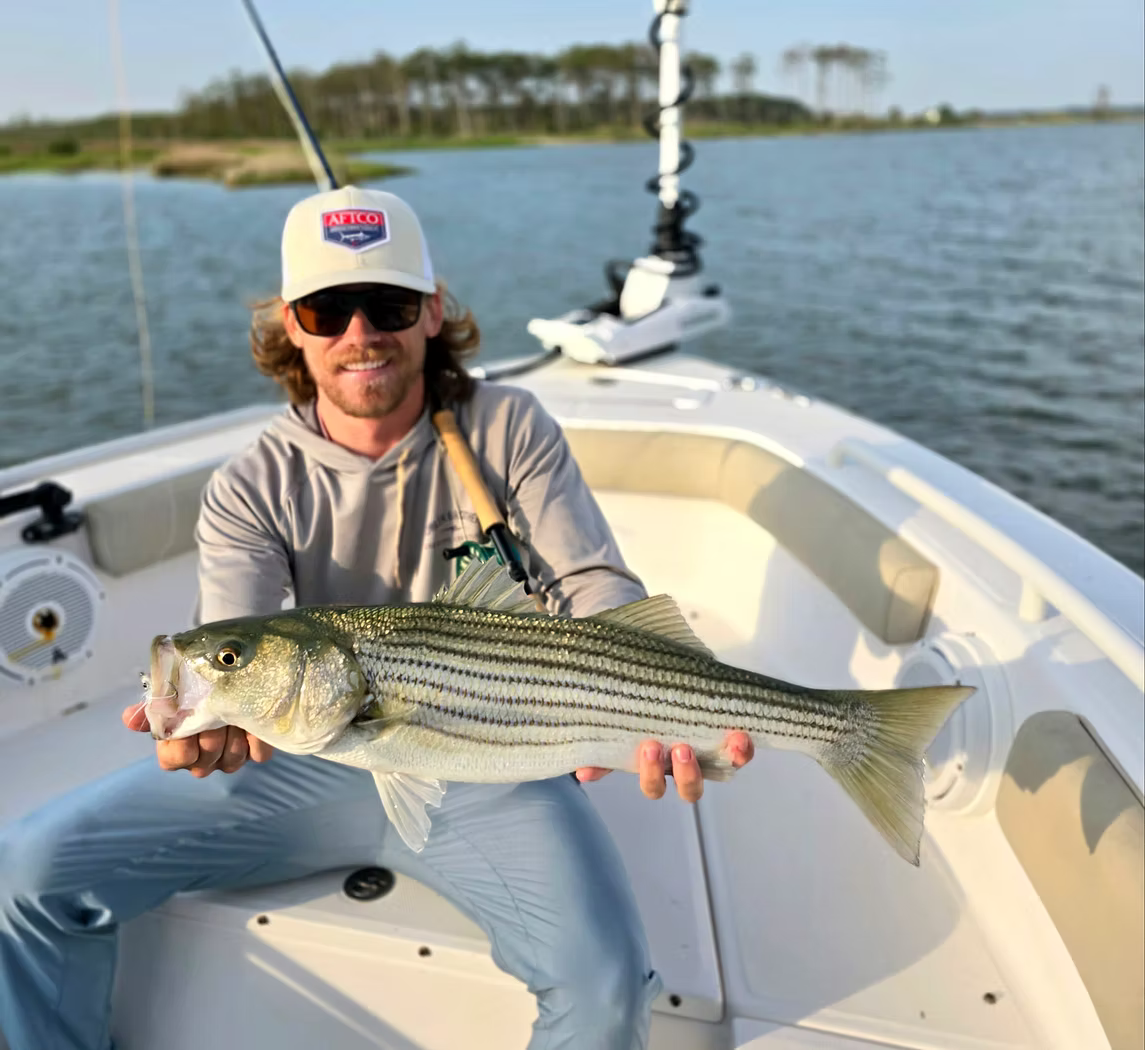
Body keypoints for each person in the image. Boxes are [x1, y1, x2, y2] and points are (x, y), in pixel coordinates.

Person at [0, 186, 753, 1050]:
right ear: (292, 324)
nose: (360, 334)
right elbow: (235, 635)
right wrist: (209, 724)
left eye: (388, 304)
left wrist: (649, 699)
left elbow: (593, 584)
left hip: (485, 756)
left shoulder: (507, 427)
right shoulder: (252, 484)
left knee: (606, 980)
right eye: (328, 310)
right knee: (25, 872)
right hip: (306, 752)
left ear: (432, 312)